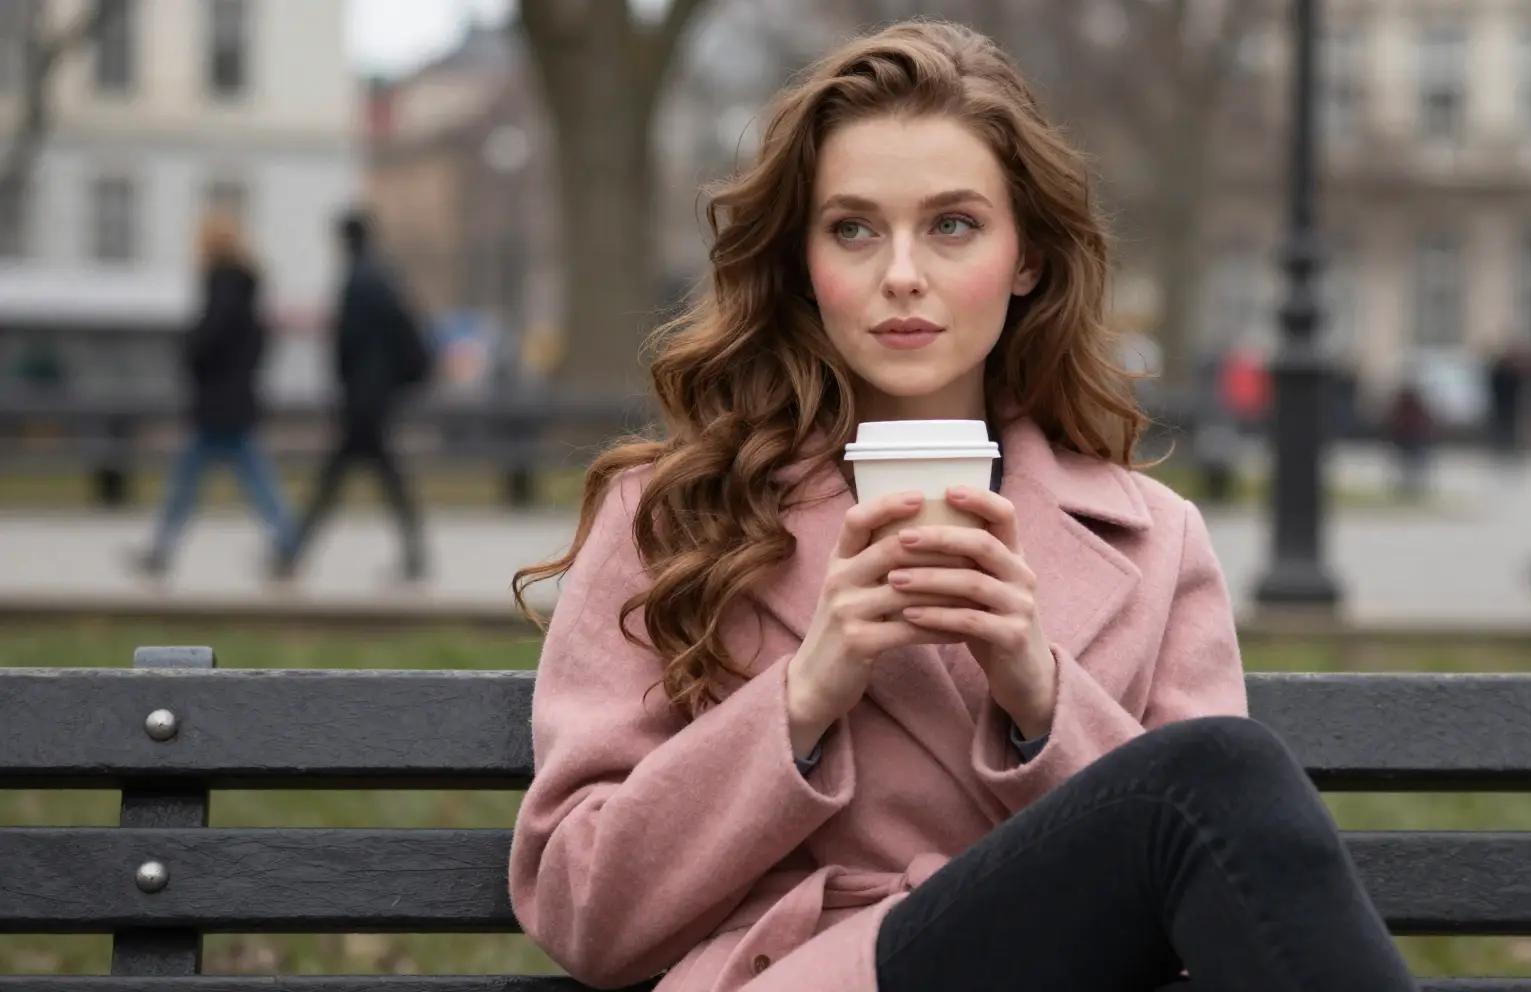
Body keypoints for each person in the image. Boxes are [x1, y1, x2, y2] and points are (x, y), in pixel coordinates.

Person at [506, 21, 1420, 992]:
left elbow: (1215, 904)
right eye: (853, 227)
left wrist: (1040, 694)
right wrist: (805, 693)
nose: (902, 272)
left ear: (1025, 256)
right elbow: (581, 903)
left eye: (952, 224)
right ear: (802, 264)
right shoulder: (672, 513)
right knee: (1215, 774)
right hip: (826, 974)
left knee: (1213, 776)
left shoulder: (1154, 541)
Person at [131, 210, 293, 579]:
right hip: (235, 399)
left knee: (196, 481)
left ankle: (161, 549)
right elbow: (258, 345)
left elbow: (208, 341)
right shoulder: (247, 289)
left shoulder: (223, 287)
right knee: (250, 477)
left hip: (219, 403)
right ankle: (285, 542)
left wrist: (188, 349)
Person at [275, 210, 432, 583]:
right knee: (378, 477)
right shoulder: (384, 276)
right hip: (379, 396)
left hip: (363, 400)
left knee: (336, 478)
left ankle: (291, 554)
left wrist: (343, 392)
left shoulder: (357, 281)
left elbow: (347, 344)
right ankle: (414, 556)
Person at [1385, 378, 1435, 501]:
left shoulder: (1410, 404)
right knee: (1407, 464)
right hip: (1407, 436)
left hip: (1412, 436)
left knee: (1412, 464)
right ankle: (1407, 487)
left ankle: (1412, 487)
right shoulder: (1405, 404)